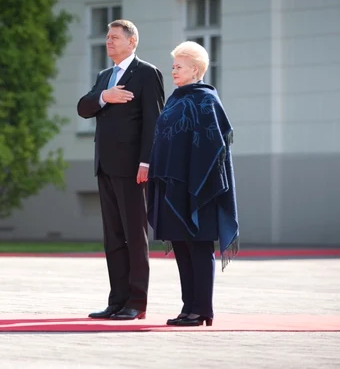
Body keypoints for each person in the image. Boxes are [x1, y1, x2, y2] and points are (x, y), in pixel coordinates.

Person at [147, 41, 239, 327]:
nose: (173, 71)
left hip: (200, 188)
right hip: (173, 187)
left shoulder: (206, 100)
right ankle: (188, 308)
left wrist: (195, 178)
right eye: (173, 66)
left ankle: (202, 310)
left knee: (198, 248)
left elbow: (215, 143)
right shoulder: (175, 98)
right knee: (182, 248)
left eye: (179, 66)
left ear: (195, 69)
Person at [77, 19, 164, 320]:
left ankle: (136, 302)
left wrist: (147, 161)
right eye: (107, 37)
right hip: (105, 166)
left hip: (133, 169)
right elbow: (83, 107)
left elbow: (154, 120)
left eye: (115, 37)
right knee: (113, 236)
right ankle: (117, 300)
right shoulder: (105, 76)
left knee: (134, 235)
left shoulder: (147, 73)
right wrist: (105, 96)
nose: (109, 42)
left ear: (132, 41)